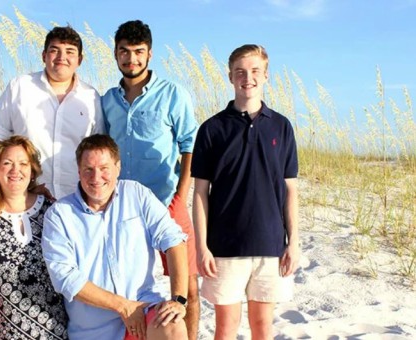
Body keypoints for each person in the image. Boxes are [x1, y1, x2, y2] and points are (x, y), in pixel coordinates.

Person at [191, 44, 300, 340]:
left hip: (271, 245)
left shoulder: (282, 127)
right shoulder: (212, 129)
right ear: (230, 77)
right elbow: (200, 193)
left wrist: (294, 242)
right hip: (224, 247)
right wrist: (201, 247)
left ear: (265, 76)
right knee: (226, 327)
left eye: (254, 71)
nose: (247, 77)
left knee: (263, 327)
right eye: (240, 71)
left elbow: (290, 189)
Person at [101, 20, 200, 339]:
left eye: (139, 52)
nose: (132, 59)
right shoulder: (107, 100)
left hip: (166, 201)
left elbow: (189, 145)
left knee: (186, 287)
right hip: (124, 210)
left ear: (150, 54)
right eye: (125, 52)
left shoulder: (173, 94)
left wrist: (181, 194)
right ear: (115, 54)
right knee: (131, 285)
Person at [42, 134, 189, 340]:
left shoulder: (137, 194)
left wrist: (179, 300)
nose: (96, 178)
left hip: (145, 309)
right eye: (88, 170)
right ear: (79, 172)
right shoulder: (59, 214)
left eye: (104, 169)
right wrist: (123, 307)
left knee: (172, 324)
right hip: (94, 330)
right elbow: (65, 277)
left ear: (117, 168)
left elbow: (174, 241)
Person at [0, 25, 105, 199]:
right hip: (25, 198)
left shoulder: (91, 97)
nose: (62, 57)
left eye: (70, 52)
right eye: (55, 50)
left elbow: (98, 149)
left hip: (76, 199)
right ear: (44, 55)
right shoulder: (20, 86)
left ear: (80, 60)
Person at [0, 135, 68, 339]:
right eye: (7, 163)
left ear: (32, 171)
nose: (15, 170)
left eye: (23, 163)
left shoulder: (53, 211)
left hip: (52, 331)